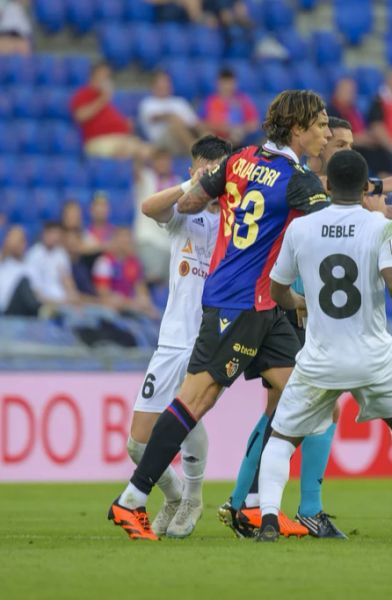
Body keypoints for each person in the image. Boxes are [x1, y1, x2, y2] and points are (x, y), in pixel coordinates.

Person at [107, 89, 331, 541]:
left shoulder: (239, 160)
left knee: (305, 398)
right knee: (196, 400)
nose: (327, 133)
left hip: (265, 306)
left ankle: (253, 507)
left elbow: (187, 204)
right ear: (298, 129)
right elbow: (331, 232)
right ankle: (131, 501)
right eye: (321, 124)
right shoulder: (298, 179)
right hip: (238, 302)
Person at [256, 149, 392, 541]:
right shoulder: (379, 226)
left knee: (283, 438)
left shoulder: (302, 228)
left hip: (319, 357)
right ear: (364, 188)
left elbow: (277, 289)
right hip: (370, 355)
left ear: (327, 186)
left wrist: (300, 302)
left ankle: (270, 517)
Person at [126, 135, 230, 539]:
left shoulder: (237, 219)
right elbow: (148, 207)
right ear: (193, 171)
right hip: (172, 338)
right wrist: (194, 186)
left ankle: (194, 497)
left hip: (210, 338)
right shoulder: (183, 215)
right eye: (203, 171)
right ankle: (174, 493)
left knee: (189, 416)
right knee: (138, 444)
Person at [70, 61, 149, 160]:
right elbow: (80, 116)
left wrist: (126, 125)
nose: (105, 79)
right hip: (98, 141)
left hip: (122, 138)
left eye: (107, 76)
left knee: (151, 152)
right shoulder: (83, 94)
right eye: (102, 75)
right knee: (124, 151)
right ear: (93, 76)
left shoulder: (108, 99)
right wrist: (102, 99)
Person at [134, 147, 181, 285]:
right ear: (153, 162)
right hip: (149, 239)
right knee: (153, 281)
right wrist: (140, 155)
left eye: (166, 160)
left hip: (171, 243)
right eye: (159, 160)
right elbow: (134, 169)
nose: (163, 164)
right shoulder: (147, 178)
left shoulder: (179, 182)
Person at [92, 226, 159, 319]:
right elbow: (104, 295)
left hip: (130, 307)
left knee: (154, 313)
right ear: (115, 241)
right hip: (113, 308)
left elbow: (141, 290)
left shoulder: (134, 263)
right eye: (123, 239)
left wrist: (144, 302)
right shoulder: (104, 262)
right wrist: (131, 304)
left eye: (128, 239)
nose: (127, 242)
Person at [138, 71, 201, 156]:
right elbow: (153, 118)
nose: (164, 85)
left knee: (202, 126)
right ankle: (195, 151)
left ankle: (213, 152)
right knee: (173, 123)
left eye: (166, 82)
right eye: (160, 82)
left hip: (183, 138)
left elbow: (194, 123)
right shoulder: (148, 103)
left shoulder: (179, 102)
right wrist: (171, 117)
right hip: (161, 143)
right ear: (153, 86)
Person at [25, 221, 80, 308]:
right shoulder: (34, 254)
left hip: (64, 301)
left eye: (57, 234)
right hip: (45, 303)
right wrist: (55, 303)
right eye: (52, 233)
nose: (55, 237)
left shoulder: (61, 253)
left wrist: (74, 297)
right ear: (44, 234)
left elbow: (67, 280)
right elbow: (34, 290)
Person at [201, 67, 259, 147]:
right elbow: (201, 123)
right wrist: (222, 128)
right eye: (224, 83)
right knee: (206, 135)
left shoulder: (243, 100)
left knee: (237, 135)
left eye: (230, 83)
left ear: (235, 83)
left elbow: (254, 124)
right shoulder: (210, 100)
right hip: (215, 138)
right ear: (218, 83)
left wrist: (240, 128)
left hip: (237, 138)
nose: (227, 86)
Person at [0, 225, 42, 316]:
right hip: (5, 309)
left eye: (19, 241)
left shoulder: (31, 267)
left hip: (25, 309)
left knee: (25, 282)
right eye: (13, 240)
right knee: (24, 282)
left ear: (25, 243)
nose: (16, 244)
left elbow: (37, 294)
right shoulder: (3, 262)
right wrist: (6, 249)